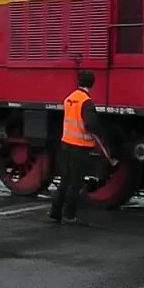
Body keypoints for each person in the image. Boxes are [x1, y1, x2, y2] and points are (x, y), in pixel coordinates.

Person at [50, 69, 102, 224]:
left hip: (66, 144)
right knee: (75, 183)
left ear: (78, 82)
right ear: (92, 84)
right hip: (80, 148)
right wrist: (99, 134)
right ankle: (69, 215)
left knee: (64, 180)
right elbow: (91, 124)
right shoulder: (87, 102)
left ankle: (55, 212)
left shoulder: (69, 99)